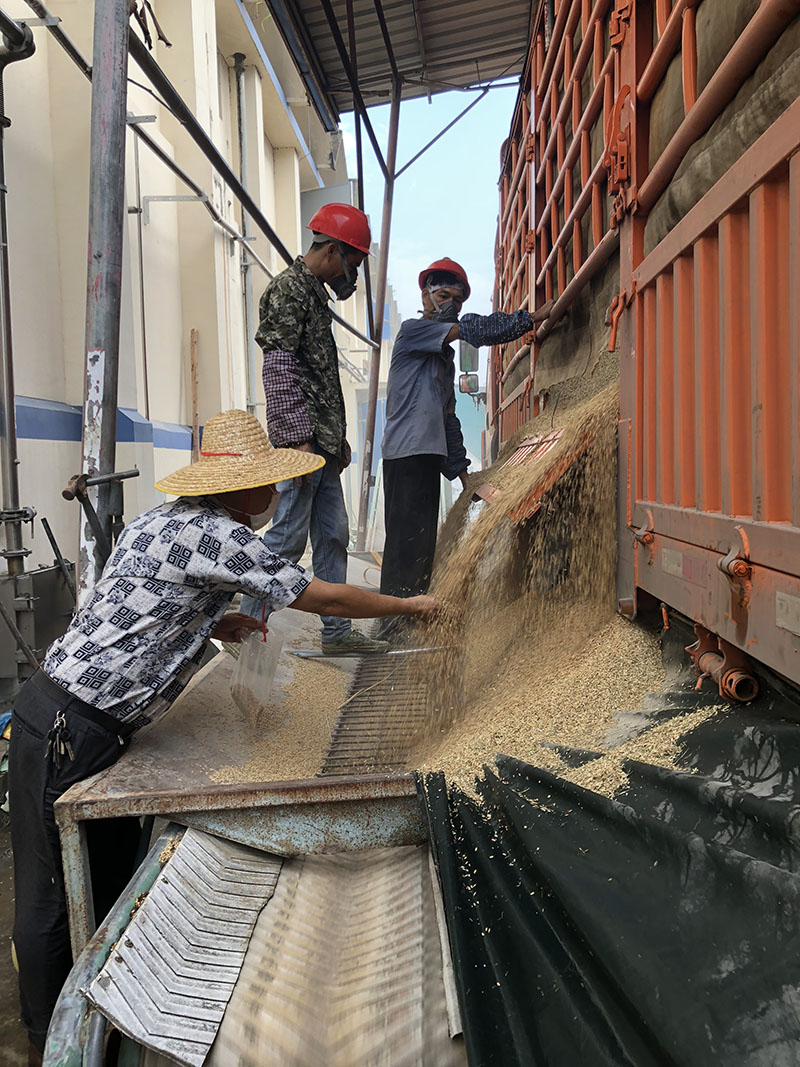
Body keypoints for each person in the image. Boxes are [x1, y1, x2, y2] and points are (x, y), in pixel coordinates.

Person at [8, 409, 441, 1065]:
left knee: (101, 871)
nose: (278, 494)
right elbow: (321, 597)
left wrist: (217, 624)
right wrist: (409, 606)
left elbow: (141, 605)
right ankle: (50, 1043)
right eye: (271, 483)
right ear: (241, 489)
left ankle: (108, 1007)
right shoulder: (224, 537)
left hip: (75, 713)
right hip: (70, 723)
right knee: (46, 897)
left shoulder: (163, 523)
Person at [378, 258, 553, 641]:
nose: (450, 305)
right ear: (424, 295)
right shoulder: (415, 331)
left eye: (456, 299)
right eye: (443, 296)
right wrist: (531, 318)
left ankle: (411, 617)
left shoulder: (443, 355)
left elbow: (447, 417)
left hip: (425, 456)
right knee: (405, 543)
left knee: (422, 542)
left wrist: (466, 477)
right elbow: (475, 328)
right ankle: (392, 624)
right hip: (405, 454)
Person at [240, 203, 387, 654]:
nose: (353, 275)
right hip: (300, 445)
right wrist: (295, 443)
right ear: (333, 250)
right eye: (355, 263)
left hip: (319, 445)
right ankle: (246, 630)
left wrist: (334, 440)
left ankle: (336, 635)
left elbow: (318, 376)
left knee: (334, 534)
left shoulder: (313, 294)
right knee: (286, 538)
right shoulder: (289, 290)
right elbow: (279, 368)